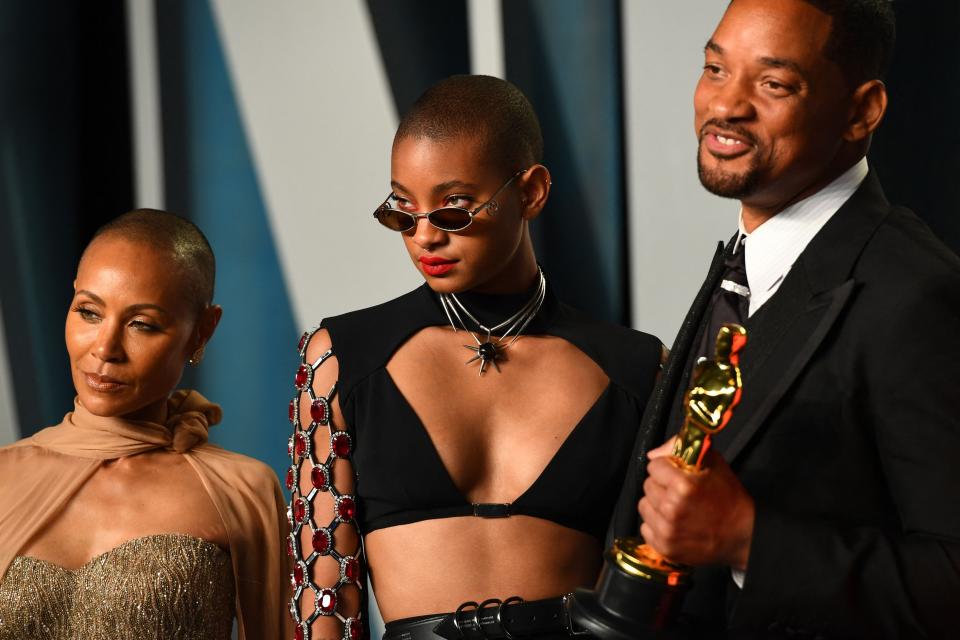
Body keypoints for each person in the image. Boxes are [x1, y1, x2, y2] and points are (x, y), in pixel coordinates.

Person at [611, 0, 960, 638]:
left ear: (862, 111)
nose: (726, 106)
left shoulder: (918, 294)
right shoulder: (749, 254)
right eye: (715, 70)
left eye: (773, 84)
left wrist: (749, 540)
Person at [286, 75, 663, 640]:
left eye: (453, 209)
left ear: (531, 192)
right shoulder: (341, 358)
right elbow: (326, 596)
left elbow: (665, 586)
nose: (423, 237)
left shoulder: (636, 368)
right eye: (402, 212)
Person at [0, 210, 290, 639]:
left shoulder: (243, 489)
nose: (106, 348)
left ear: (202, 331)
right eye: (89, 312)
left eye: (142, 324)